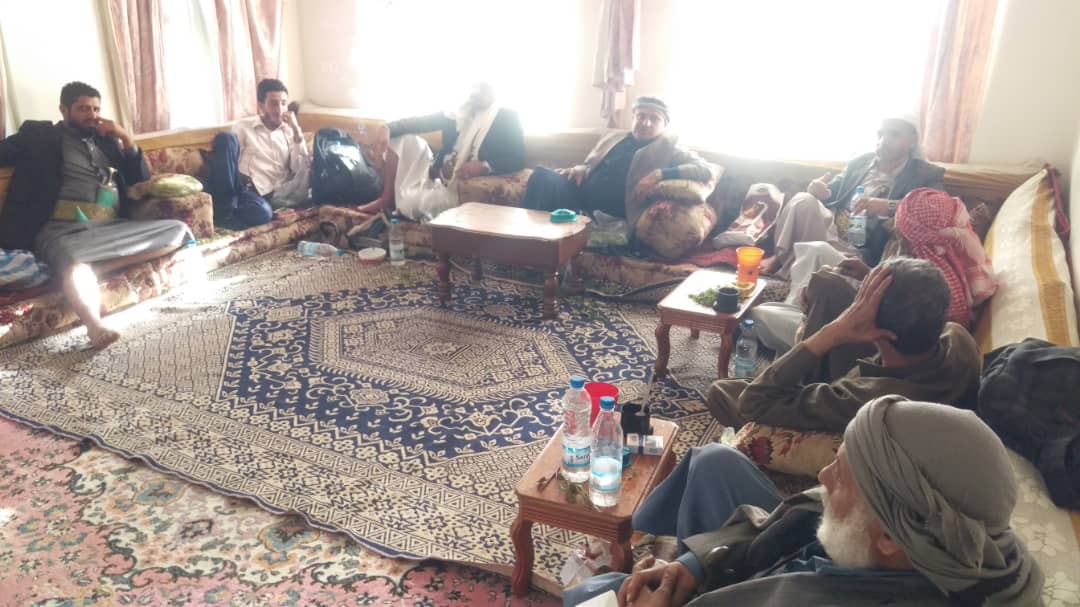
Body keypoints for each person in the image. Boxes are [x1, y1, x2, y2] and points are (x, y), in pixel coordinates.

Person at [564, 397, 1044, 606]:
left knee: (593, 594)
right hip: (748, 573)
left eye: (842, 477)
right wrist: (691, 565)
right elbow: (801, 509)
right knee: (714, 461)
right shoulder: (930, 533)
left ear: (891, 538)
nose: (822, 476)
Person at [0, 81, 193, 348]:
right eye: (83, 109)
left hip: (112, 226)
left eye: (95, 109)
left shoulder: (108, 141)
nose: (91, 115)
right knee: (74, 265)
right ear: (64, 110)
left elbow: (139, 180)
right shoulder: (40, 136)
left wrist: (125, 138)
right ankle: (95, 326)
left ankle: (96, 267)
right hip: (61, 230)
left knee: (178, 230)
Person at [708, 258, 980, 433]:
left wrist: (832, 332)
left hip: (842, 411)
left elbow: (753, 401)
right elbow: (917, 308)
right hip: (892, 372)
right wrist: (870, 277)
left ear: (876, 330)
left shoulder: (863, 400)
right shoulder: (958, 340)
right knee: (828, 286)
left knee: (722, 391)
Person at [760, 115, 946, 278]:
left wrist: (888, 206)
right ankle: (780, 260)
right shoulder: (860, 162)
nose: (883, 141)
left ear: (913, 141)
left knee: (817, 250)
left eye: (894, 134)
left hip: (862, 252)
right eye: (880, 134)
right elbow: (831, 192)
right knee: (803, 199)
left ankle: (792, 273)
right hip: (832, 233)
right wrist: (816, 189)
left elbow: (938, 210)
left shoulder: (925, 174)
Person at [521, 96, 717, 232]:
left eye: (654, 119)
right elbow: (591, 164)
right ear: (633, 118)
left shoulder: (670, 148)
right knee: (542, 176)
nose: (646, 123)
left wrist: (660, 174)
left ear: (665, 125)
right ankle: (527, 242)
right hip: (580, 196)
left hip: (612, 212)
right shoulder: (614, 138)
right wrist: (581, 169)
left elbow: (706, 170)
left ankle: (540, 245)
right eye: (641, 116)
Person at [360, 82, 526, 222]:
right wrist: (386, 128)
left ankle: (404, 203)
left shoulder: (507, 117)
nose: (476, 92)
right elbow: (420, 122)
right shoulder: (458, 113)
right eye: (474, 87)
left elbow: (518, 159)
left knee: (409, 205)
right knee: (402, 139)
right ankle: (387, 198)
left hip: (456, 188)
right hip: (437, 175)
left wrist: (484, 166)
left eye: (482, 88)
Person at [207, 78, 310, 229]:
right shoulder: (244, 126)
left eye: (283, 103)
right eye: (273, 103)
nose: (279, 109)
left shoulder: (290, 133)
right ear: (261, 106)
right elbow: (229, 159)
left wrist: (296, 130)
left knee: (263, 213)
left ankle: (224, 215)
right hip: (237, 184)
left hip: (260, 196)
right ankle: (226, 209)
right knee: (226, 138)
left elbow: (299, 168)